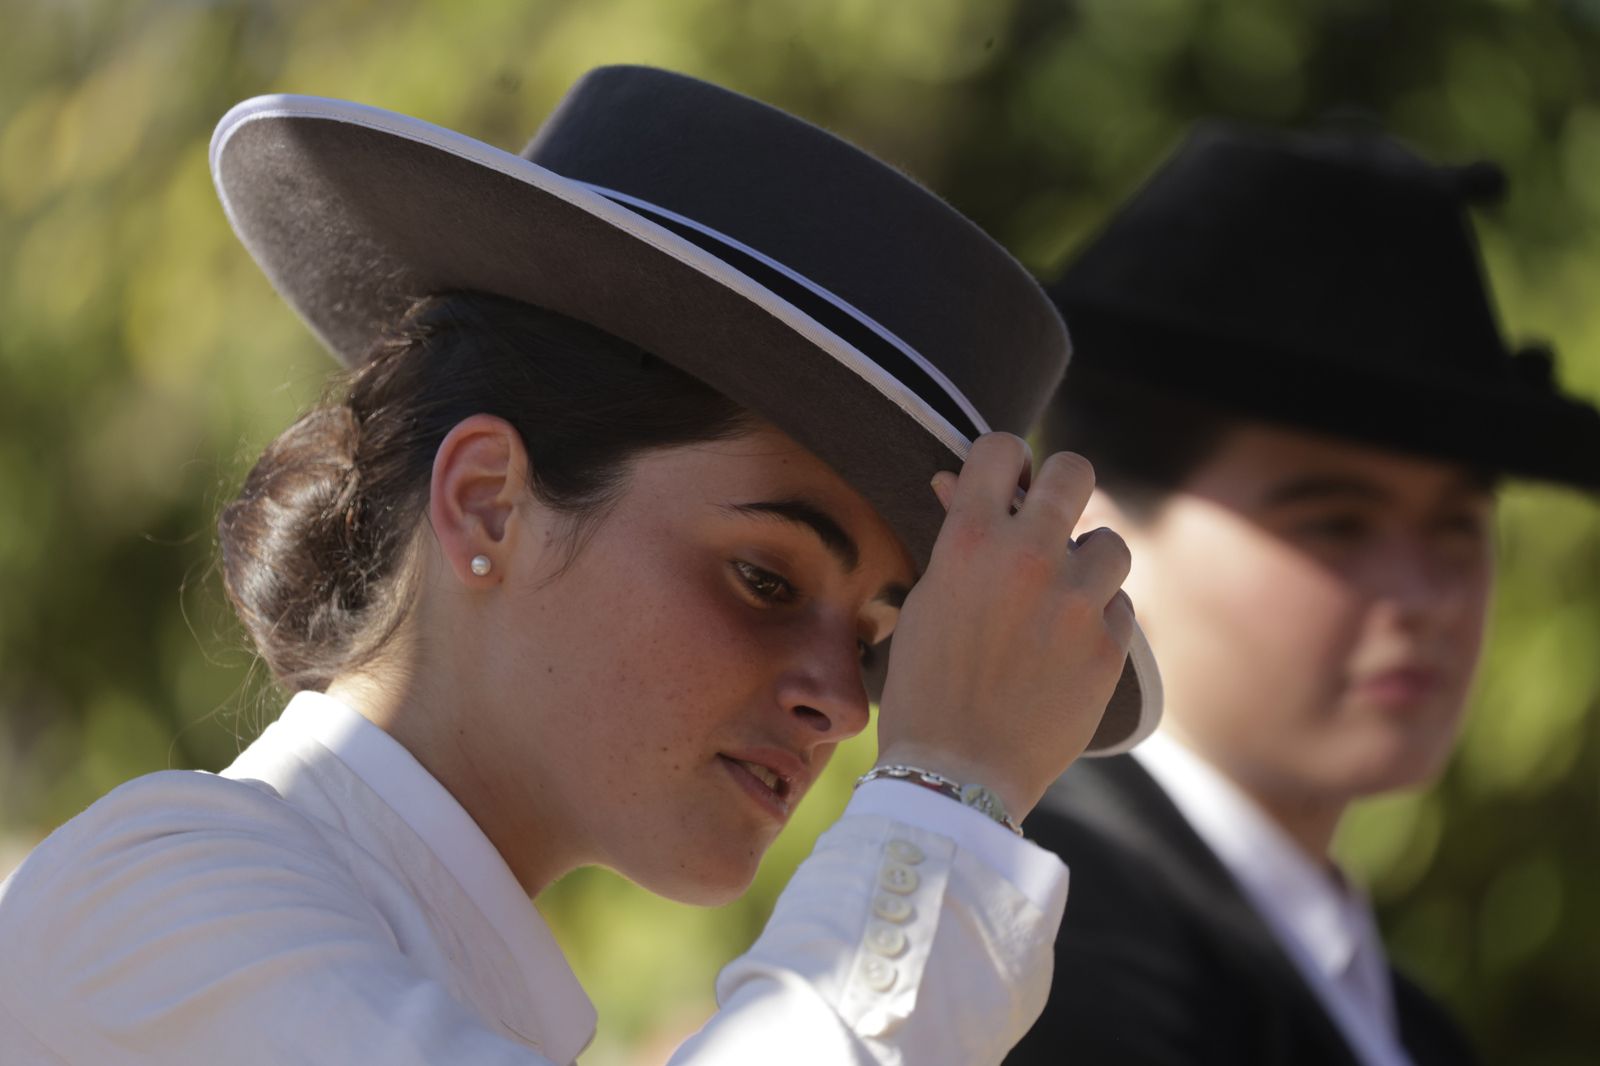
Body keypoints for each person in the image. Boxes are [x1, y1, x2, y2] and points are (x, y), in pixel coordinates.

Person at [0, 66, 1162, 1065]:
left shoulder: (423, 973)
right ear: (487, 504)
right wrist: (947, 793)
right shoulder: (151, 898)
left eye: (875, 638)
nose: (844, 702)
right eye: (765, 577)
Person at [1006, 122, 1600, 1066]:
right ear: (1098, 536)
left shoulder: (1396, 1016)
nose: (1424, 596)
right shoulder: (1047, 960)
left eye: (1456, 526)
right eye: (1335, 522)